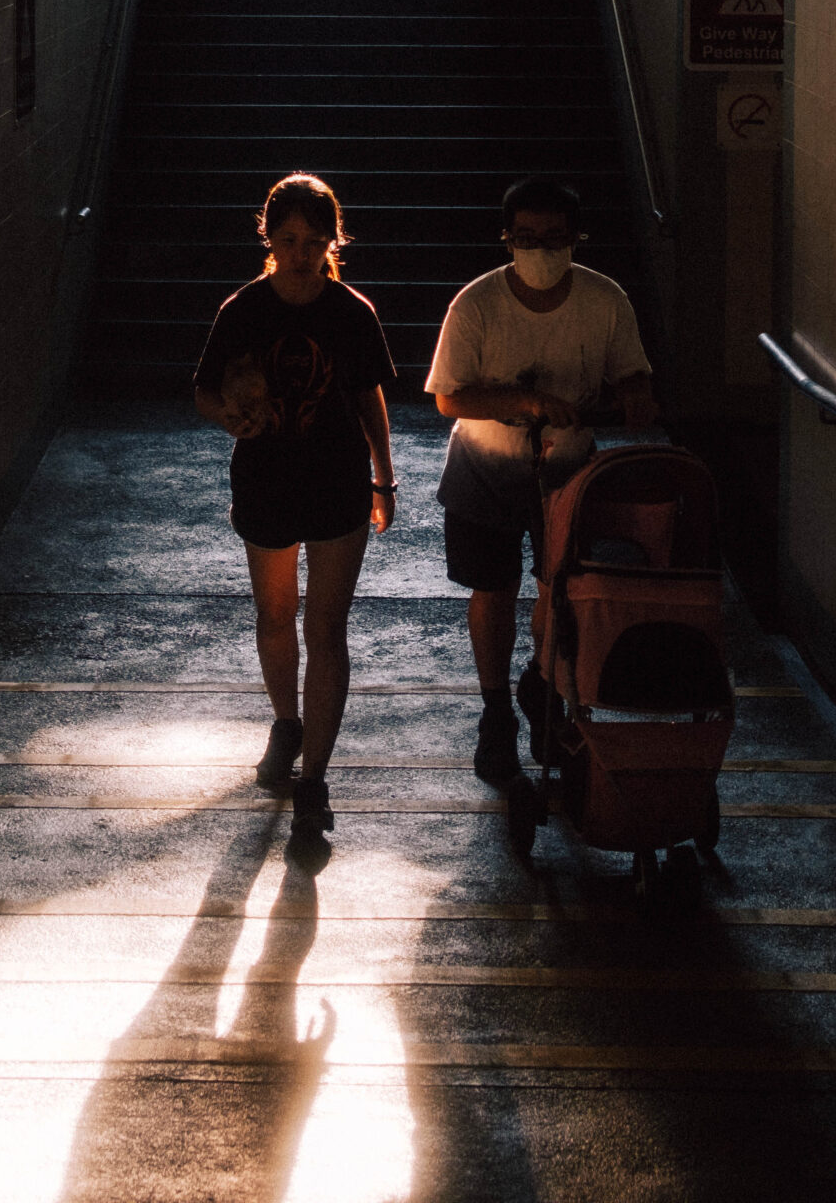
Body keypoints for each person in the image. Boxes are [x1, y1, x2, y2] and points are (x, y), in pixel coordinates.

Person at [425, 176, 657, 783]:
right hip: (485, 467)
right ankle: (497, 710)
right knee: (493, 589)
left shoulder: (605, 301)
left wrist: (634, 398)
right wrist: (524, 401)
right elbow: (450, 399)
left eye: (554, 239)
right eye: (527, 238)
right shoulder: (475, 305)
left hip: (568, 471)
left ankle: (543, 683)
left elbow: (632, 373)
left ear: (576, 240)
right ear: (508, 240)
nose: (541, 251)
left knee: (563, 589)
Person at [193, 172, 397, 853]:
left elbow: (369, 398)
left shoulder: (350, 312)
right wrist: (230, 417)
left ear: (330, 241)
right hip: (266, 480)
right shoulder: (243, 310)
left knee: (327, 628)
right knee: (276, 615)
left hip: (337, 482)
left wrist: (384, 479)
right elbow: (202, 390)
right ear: (268, 237)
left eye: (314, 241)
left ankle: (314, 778)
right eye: (288, 240)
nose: (301, 253)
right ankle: (287, 723)